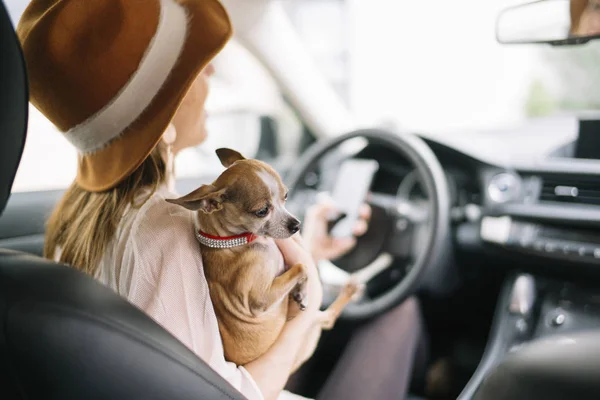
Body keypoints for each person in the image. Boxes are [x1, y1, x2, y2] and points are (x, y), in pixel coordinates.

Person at [17, 0, 426, 399]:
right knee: (399, 316)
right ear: (163, 111)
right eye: (194, 67)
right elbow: (224, 392)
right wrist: (308, 306)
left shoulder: (75, 218)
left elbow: (226, 317)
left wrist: (306, 251)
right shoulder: (166, 229)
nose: (212, 68)